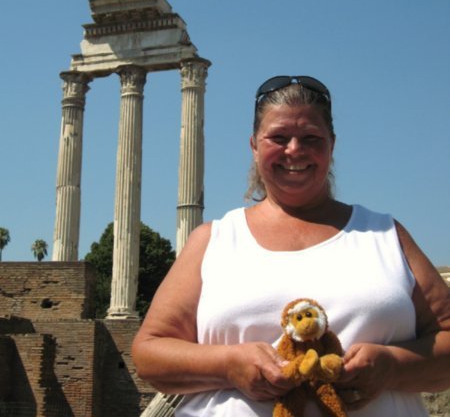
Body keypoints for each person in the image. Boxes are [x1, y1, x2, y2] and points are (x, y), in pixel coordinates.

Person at [132, 75, 450, 416]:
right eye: (279, 137)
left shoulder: (385, 235)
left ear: (332, 144)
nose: (295, 150)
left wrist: (393, 365)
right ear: (254, 145)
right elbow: (150, 356)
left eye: (311, 138)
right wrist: (227, 365)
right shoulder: (214, 240)